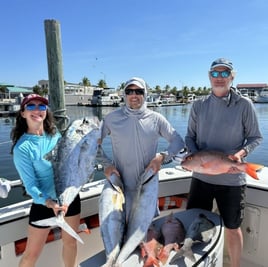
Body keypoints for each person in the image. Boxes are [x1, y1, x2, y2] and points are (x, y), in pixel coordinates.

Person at [185, 58, 263, 267]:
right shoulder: (198, 105)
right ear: (209, 77)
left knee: (232, 227)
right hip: (201, 176)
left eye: (224, 74)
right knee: (194, 221)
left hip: (232, 178)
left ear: (232, 77)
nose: (219, 78)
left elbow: (256, 137)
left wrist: (241, 154)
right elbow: (189, 137)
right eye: (215, 74)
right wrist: (196, 157)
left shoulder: (244, 105)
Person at [99, 77, 186, 219]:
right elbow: (90, 145)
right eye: (129, 91)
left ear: (145, 94)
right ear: (124, 95)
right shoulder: (111, 119)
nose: (134, 95)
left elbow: (177, 141)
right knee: (122, 237)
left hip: (147, 189)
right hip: (120, 189)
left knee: (145, 235)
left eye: (138, 91)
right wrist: (106, 164)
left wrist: (162, 156)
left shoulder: (157, 119)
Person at [10, 94, 81, 267]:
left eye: (41, 107)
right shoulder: (22, 148)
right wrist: (49, 203)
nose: (37, 110)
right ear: (23, 113)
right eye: (31, 106)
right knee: (31, 254)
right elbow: (31, 186)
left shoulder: (54, 135)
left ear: (46, 111)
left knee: (70, 243)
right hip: (43, 203)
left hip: (68, 198)